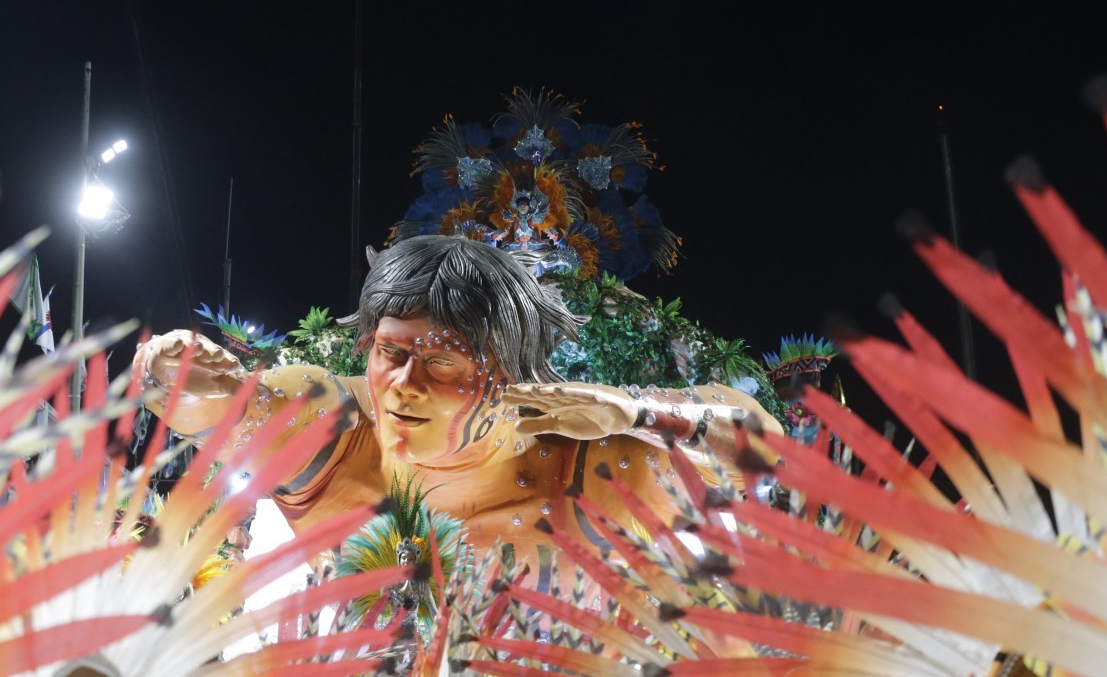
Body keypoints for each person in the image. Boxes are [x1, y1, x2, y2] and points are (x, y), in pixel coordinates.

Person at [133, 236, 778, 591]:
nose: (402, 386)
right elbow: (228, 409)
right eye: (391, 353)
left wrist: (639, 411)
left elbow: (764, 446)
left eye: (441, 362)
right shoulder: (336, 430)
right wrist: (172, 373)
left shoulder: (597, 456)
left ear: (509, 374)